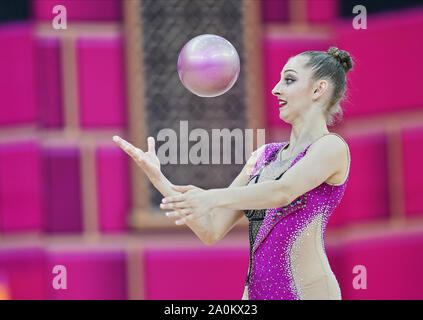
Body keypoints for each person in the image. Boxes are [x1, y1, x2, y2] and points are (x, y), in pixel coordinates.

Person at [113, 46, 353, 300]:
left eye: (289, 80)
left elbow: (283, 191)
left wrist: (212, 196)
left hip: (309, 293)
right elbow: (211, 229)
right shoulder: (263, 156)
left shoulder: (331, 147)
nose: (276, 89)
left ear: (319, 89)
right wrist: (157, 178)